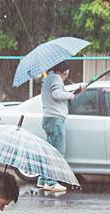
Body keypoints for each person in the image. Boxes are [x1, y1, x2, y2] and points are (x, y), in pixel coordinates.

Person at [37, 61, 84, 192]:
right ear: (63, 70)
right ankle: (51, 183)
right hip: (55, 120)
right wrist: (71, 95)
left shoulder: (49, 78)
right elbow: (56, 94)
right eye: (66, 72)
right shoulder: (56, 78)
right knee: (57, 153)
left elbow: (56, 95)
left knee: (49, 153)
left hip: (50, 119)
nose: (67, 75)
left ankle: (43, 179)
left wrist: (74, 94)